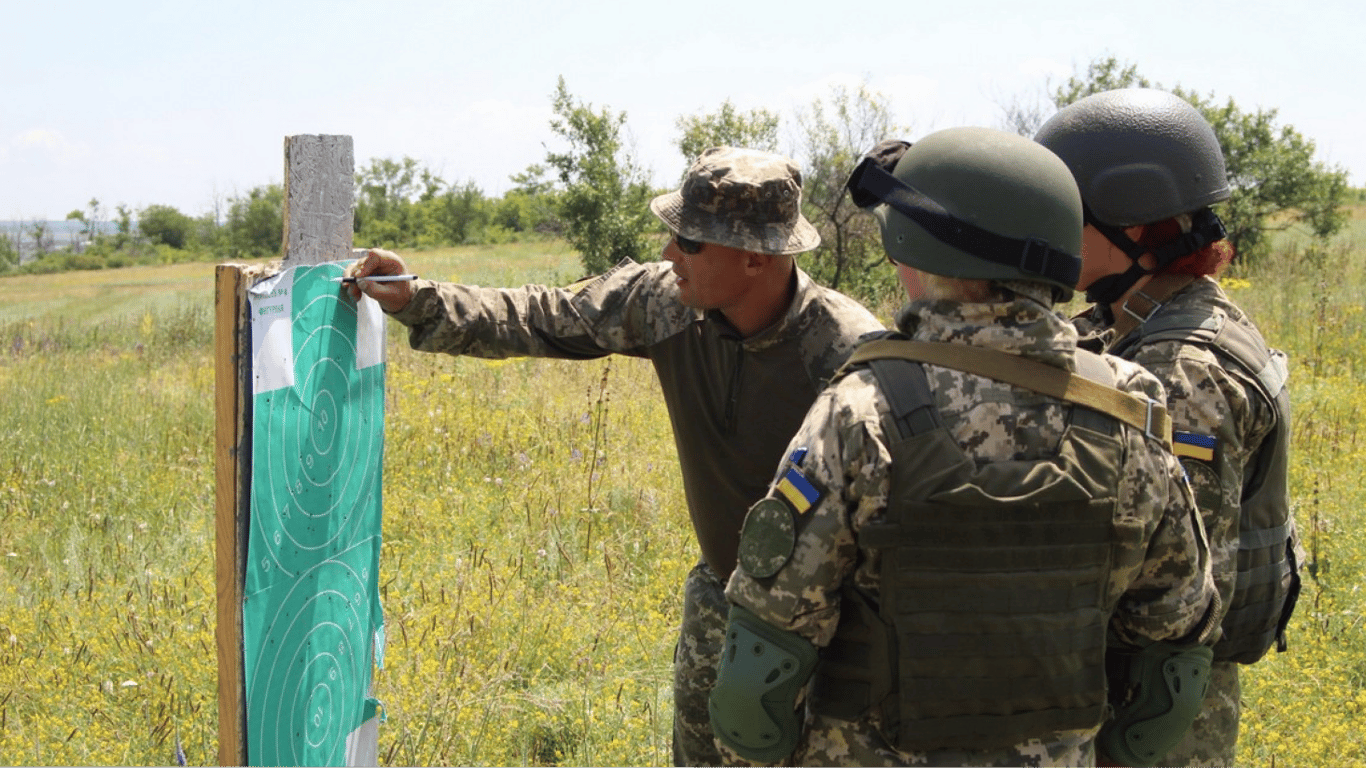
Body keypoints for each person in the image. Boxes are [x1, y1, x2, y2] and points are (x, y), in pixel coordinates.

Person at [344, 146, 886, 767]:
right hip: (720, 602)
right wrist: (416, 298)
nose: (668, 255)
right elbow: (543, 314)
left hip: (829, 626)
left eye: (690, 242)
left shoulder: (848, 354)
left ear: (756, 258)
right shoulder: (662, 303)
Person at [708, 127, 1219, 767]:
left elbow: (768, 645)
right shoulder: (1131, 412)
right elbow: (1176, 630)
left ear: (919, 256)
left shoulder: (862, 410)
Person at [1036, 88, 1303, 768]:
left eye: (1068, 212)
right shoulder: (1139, 320)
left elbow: (1181, 586)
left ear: (1131, 228)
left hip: (1152, 711)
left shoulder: (1183, 370)